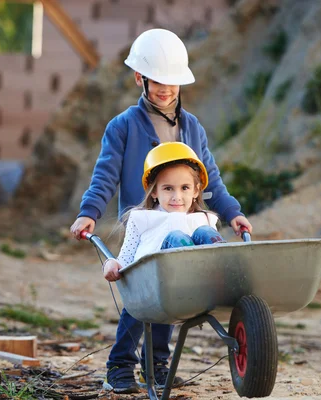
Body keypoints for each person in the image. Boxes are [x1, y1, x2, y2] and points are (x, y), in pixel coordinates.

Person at [70, 28, 253, 393]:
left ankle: (157, 364)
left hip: (184, 223)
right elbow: (105, 175)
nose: (165, 90)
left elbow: (210, 179)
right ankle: (120, 365)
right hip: (144, 223)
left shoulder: (192, 128)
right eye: (157, 82)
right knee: (143, 301)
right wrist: (89, 211)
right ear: (140, 77)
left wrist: (232, 212)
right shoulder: (122, 127)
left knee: (173, 290)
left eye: (172, 83)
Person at [101, 142, 234, 394]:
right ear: (154, 192)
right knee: (177, 239)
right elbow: (126, 257)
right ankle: (119, 366)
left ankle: (156, 366)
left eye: (185, 188)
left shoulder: (204, 219)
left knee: (204, 232)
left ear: (196, 191)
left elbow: (205, 240)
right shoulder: (142, 218)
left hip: (188, 284)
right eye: (168, 188)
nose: (176, 196)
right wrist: (111, 263)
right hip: (147, 282)